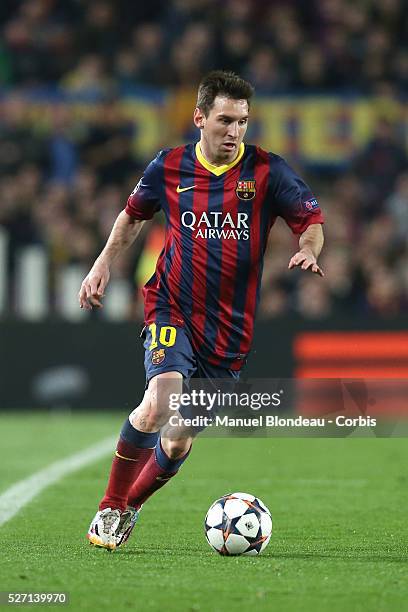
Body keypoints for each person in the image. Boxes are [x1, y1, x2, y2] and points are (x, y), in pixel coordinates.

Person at [78, 70, 325, 550]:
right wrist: (103, 264)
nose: (234, 132)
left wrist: (310, 248)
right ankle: (110, 508)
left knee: (177, 438)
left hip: (229, 332)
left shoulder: (267, 171)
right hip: (172, 305)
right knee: (159, 403)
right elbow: (133, 215)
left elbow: (310, 219)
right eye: (225, 120)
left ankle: (132, 504)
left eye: (243, 122)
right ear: (199, 118)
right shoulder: (168, 167)